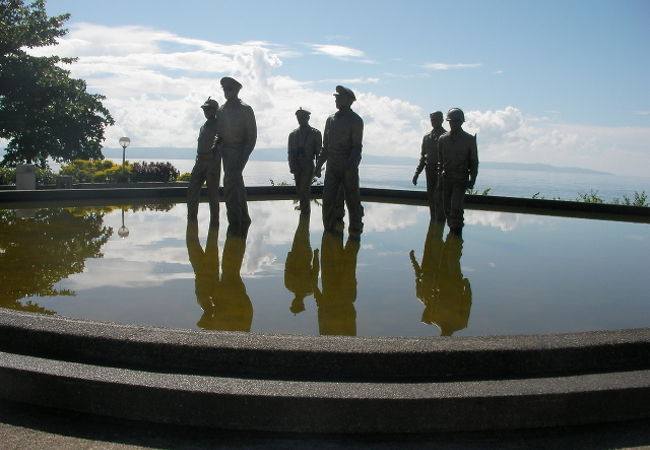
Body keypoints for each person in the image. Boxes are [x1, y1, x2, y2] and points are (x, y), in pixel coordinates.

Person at [314, 85, 364, 239]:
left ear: (348, 100)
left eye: (339, 97)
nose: (336, 99)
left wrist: (350, 167)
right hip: (332, 167)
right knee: (328, 199)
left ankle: (355, 229)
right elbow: (325, 146)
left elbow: (357, 147)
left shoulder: (356, 120)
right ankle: (330, 227)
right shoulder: (330, 120)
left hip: (348, 166)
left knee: (352, 199)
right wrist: (319, 165)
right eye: (335, 97)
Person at [216, 76, 257, 236]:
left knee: (230, 186)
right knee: (236, 187)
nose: (227, 92)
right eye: (224, 89)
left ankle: (235, 222)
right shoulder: (221, 110)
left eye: (229, 89)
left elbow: (252, 137)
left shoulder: (245, 109)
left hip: (239, 152)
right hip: (226, 153)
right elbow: (218, 134)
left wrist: (243, 158)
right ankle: (243, 219)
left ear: (237, 90)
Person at [437, 108, 478, 237]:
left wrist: (472, 179)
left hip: (460, 178)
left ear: (461, 122)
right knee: (447, 208)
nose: (452, 123)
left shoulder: (469, 139)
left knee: (456, 207)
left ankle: (457, 232)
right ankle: (451, 230)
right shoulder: (443, 139)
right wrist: (439, 180)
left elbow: (474, 161)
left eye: (455, 121)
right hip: (446, 178)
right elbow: (440, 162)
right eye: (450, 121)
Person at [187, 97, 220, 225]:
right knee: (192, 190)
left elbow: (221, 141)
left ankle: (214, 223)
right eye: (204, 109)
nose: (205, 111)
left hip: (212, 162)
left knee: (213, 195)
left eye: (208, 109)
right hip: (199, 161)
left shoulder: (219, 125)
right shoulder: (203, 127)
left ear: (215, 110)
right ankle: (191, 220)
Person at [412, 111, 446, 221]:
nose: (433, 122)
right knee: (431, 198)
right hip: (429, 170)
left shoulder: (446, 137)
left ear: (442, 120)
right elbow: (423, 157)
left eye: (436, 119)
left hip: (442, 172)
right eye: (432, 120)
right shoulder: (427, 137)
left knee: (439, 198)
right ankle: (433, 222)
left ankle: (440, 222)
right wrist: (417, 173)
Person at [288, 108, 322, 214]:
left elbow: (319, 153)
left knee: (304, 188)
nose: (300, 119)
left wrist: (318, 168)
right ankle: (303, 206)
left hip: (308, 164)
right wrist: (292, 167)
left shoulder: (315, 133)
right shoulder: (293, 135)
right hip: (297, 165)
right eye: (298, 118)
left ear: (308, 118)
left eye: (302, 117)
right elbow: (290, 152)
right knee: (299, 188)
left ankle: (305, 210)